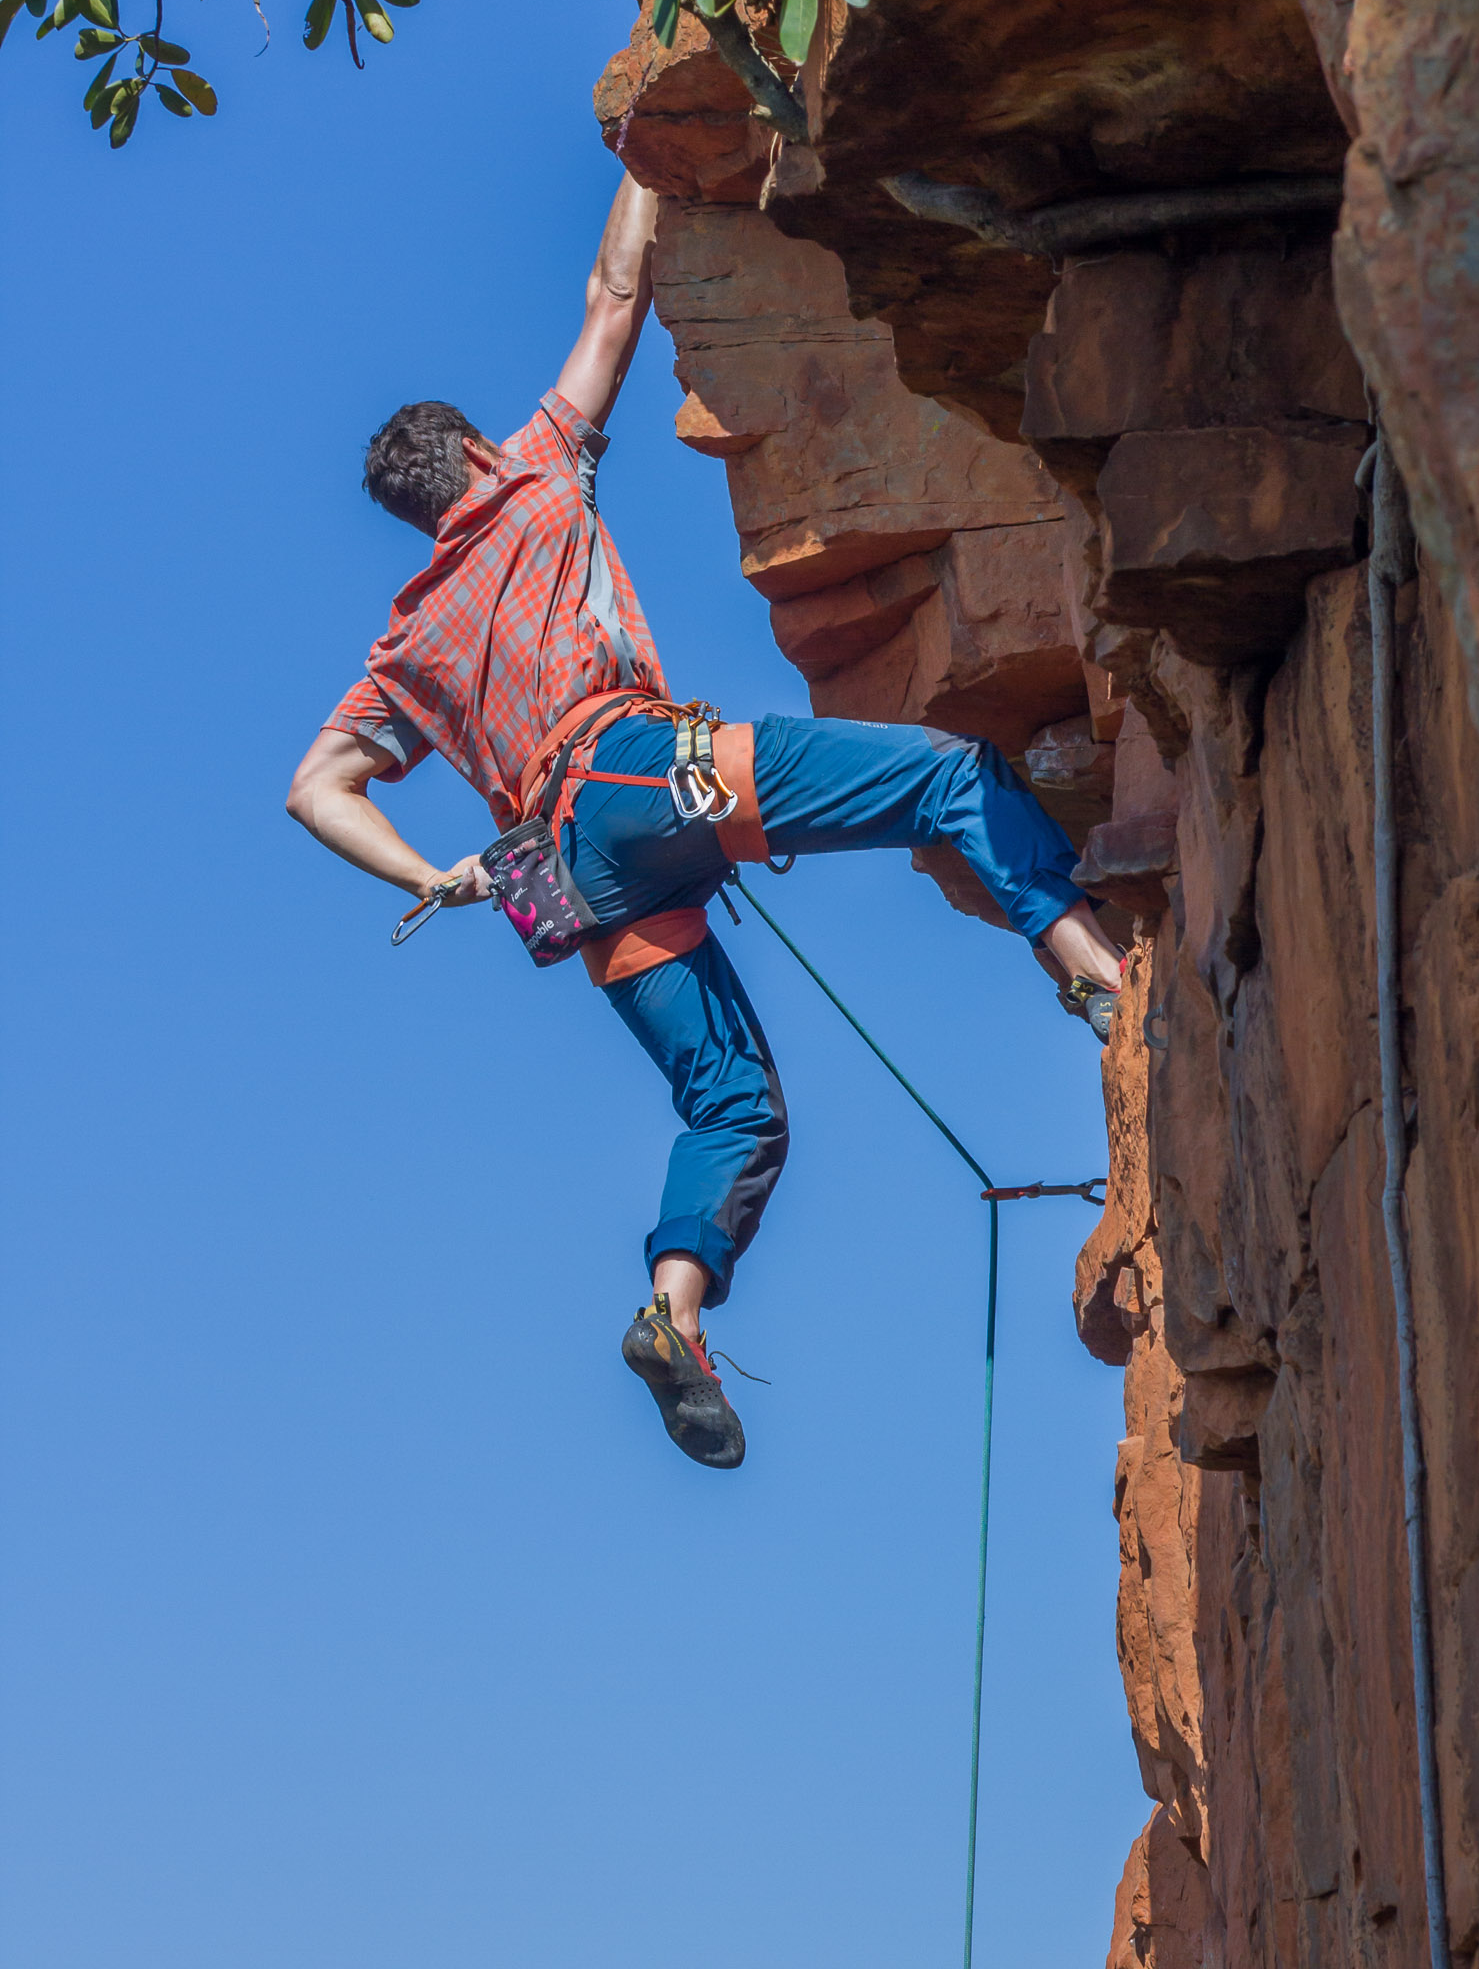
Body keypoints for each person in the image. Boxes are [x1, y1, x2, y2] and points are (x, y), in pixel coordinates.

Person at [286, 172, 1125, 1470]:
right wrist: (644, 161)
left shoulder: (406, 647)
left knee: (732, 1107)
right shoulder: (533, 477)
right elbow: (615, 293)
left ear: (411, 507)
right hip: (637, 768)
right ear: (469, 457)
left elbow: (316, 785)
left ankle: (672, 1313)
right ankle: (1107, 985)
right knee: (955, 779)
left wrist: (435, 873)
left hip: (563, 874)